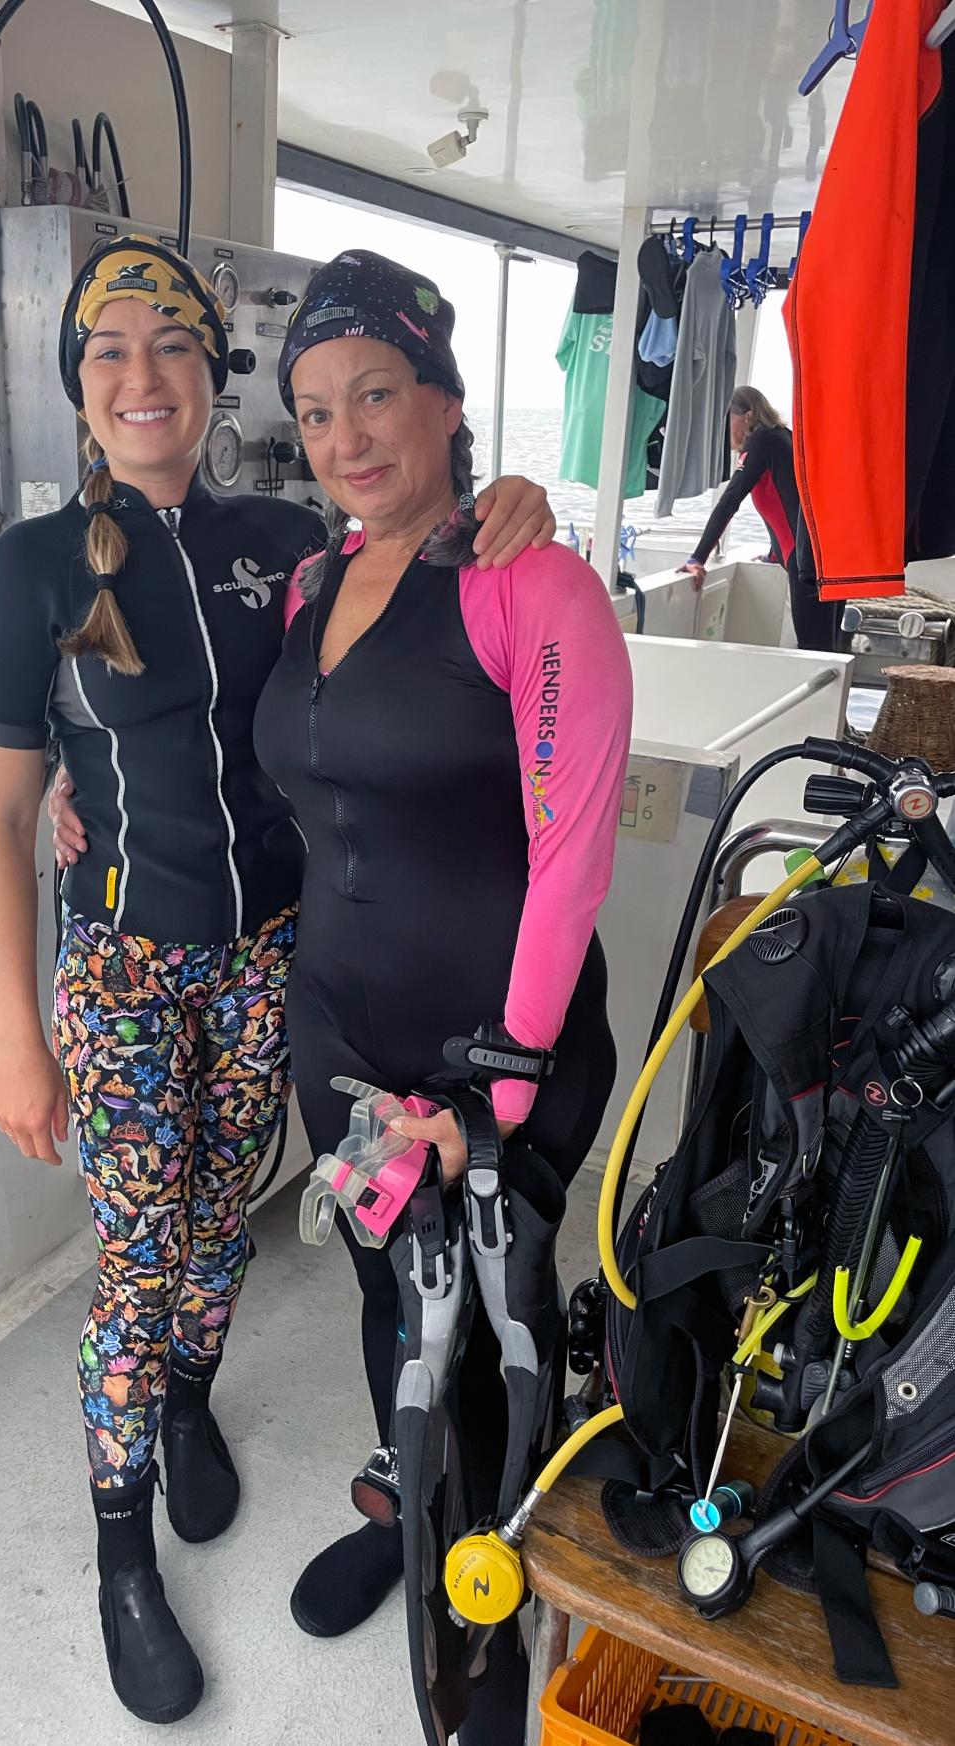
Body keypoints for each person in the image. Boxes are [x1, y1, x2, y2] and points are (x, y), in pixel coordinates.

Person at [0, 230, 556, 1727]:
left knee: (221, 1219)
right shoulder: (29, 568)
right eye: (109, 351)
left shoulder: (288, 540)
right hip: (124, 966)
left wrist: (514, 506)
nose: (141, 376)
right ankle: (120, 1554)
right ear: (78, 386)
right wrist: (13, 1036)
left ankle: (186, 1400)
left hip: (280, 962)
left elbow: (432, 567)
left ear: (214, 375)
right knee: (132, 1262)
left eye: (171, 345)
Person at [250, 250, 632, 1730]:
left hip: (492, 1049)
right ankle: (409, 1510)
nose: (348, 437)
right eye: (317, 410)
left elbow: (574, 855)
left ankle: (489, 1587)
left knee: (488, 1323)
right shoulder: (308, 580)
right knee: (382, 1301)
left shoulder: (527, 580)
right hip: (342, 1035)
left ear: (444, 401)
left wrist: (506, 1076)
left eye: (376, 395)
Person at [678, 385, 842, 652]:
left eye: (726, 418)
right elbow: (788, 498)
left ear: (748, 416)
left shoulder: (761, 441)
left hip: (808, 565)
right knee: (828, 649)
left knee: (817, 653)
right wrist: (773, 554)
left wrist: (697, 558)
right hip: (825, 558)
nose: (722, 428)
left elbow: (730, 501)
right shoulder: (783, 437)